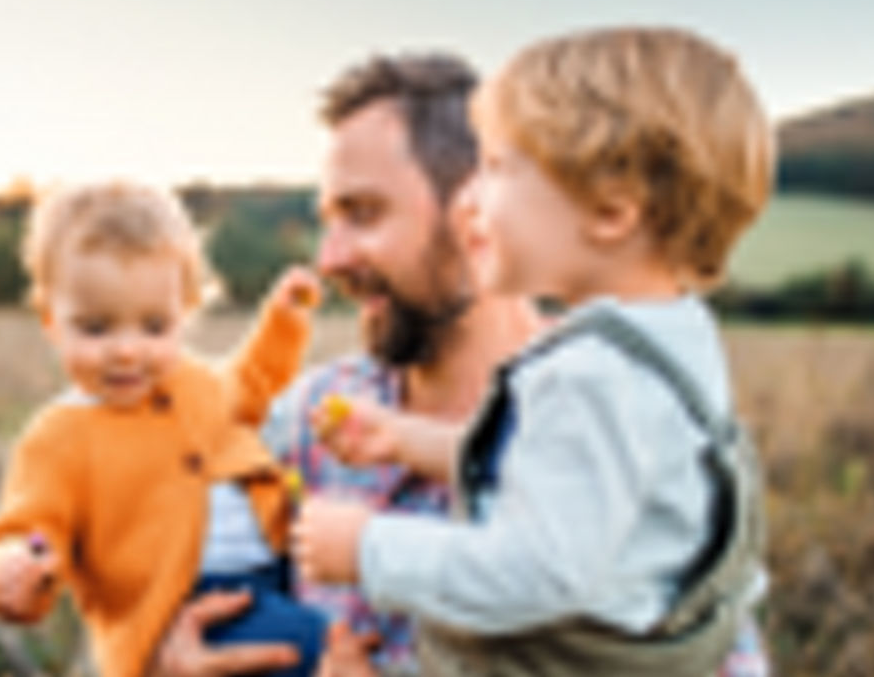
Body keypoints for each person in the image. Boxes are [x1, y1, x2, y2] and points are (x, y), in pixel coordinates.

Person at [152, 52, 770, 677]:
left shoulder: (626, 407)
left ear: (475, 203)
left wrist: (368, 547)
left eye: (364, 213)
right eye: (328, 222)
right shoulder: (310, 417)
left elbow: (706, 646)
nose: (329, 260)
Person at [0, 180, 327, 677]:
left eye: (154, 327)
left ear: (187, 312)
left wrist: (283, 324)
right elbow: (30, 529)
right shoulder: (60, 436)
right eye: (96, 328)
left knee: (364, 617)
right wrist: (12, 570)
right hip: (181, 608)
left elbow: (250, 387)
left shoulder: (195, 384)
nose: (127, 351)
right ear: (51, 321)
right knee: (326, 646)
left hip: (277, 569)